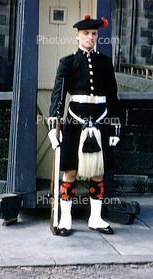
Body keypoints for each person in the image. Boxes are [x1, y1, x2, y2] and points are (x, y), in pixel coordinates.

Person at [47, 14, 121, 236]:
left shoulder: (105, 63)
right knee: (70, 171)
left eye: (94, 34)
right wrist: (53, 126)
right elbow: (58, 97)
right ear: (77, 35)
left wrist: (114, 127)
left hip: (100, 120)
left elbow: (113, 98)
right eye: (86, 34)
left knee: (98, 172)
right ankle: (66, 218)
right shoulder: (67, 63)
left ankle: (96, 218)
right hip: (75, 121)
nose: (91, 37)